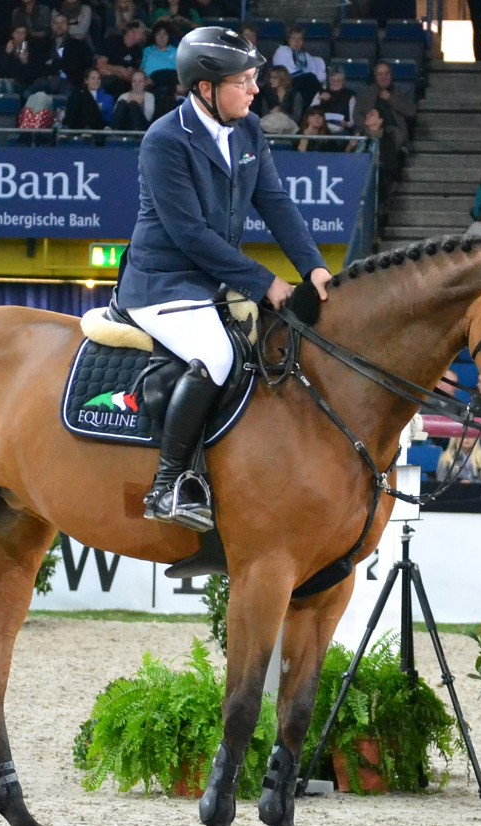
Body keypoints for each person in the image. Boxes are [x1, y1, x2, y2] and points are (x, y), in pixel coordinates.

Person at [116, 27, 331, 529]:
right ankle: (167, 487)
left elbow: (275, 202)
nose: (256, 90)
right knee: (216, 354)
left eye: (255, 79)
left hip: (212, 284)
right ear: (205, 88)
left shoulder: (250, 130)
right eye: (244, 81)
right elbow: (190, 234)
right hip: (162, 283)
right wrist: (265, 282)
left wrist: (312, 266)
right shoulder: (165, 139)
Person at [355, 60, 416, 149]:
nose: (384, 77)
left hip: (393, 129)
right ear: (375, 77)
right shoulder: (366, 92)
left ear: (391, 75)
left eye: (387, 73)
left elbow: (411, 111)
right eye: (380, 74)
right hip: (369, 128)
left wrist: (390, 98)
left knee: (394, 138)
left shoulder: (401, 91)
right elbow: (356, 115)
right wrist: (368, 127)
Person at [271, 24, 326, 109]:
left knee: (310, 84)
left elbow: (317, 76)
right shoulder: (282, 51)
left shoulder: (307, 57)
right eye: (293, 38)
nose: (297, 42)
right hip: (288, 82)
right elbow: (287, 73)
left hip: (305, 84)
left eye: (299, 38)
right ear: (288, 40)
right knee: (310, 79)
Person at [310, 66, 357, 134]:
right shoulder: (320, 93)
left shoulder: (350, 95)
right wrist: (319, 99)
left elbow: (353, 121)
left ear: (343, 81)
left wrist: (346, 124)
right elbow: (310, 113)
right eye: (333, 80)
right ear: (329, 81)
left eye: (339, 80)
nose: (336, 82)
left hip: (341, 130)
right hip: (321, 128)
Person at [0, 25, 35, 94]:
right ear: (13, 34)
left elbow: (31, 76)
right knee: (0, 83)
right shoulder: (4, 49)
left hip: (21, 83)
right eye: (17, 32)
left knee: (8, 85)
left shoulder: (30, 51)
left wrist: (25, 62)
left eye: (23, 33)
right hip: (4, 80)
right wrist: (7, 54)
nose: (20, 35)